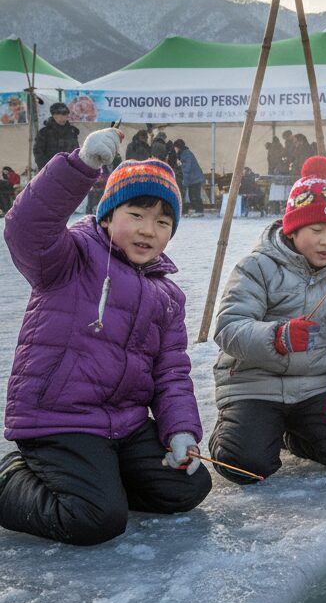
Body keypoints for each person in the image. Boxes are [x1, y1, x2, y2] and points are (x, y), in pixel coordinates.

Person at [0, 135, 211, 545]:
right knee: (96, 518)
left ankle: (100, 481)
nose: (148, 230)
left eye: (163, 222)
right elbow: (26, 228)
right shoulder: (70, 257)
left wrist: (179, 430)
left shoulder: (168, 296)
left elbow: (171, 372)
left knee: (188, 487)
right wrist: (78, 166)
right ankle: (9, 479)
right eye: (136, 214)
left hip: (125, 424)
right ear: (108, 216)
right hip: (60, 419)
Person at [208, 157, 326, 482]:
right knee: (244, 464)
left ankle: (293, 436)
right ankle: (242, 430)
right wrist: (277, 337)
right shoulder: (256, 268)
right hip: (253, 385)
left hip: (312, 388)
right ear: (293, 227)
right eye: (317, 230)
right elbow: (229, 328)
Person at [32, 102, 80, 171]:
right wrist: (45, 167)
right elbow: (38, 152)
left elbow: (76, 151)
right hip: (50, 169)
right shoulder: (44, 132)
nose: (63, 117)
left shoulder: (72, 131)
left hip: (69, 169)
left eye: (65, 115)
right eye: (60, 115)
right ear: (54, 115)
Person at [173, 139, 205, 217]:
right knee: (192, 195)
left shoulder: (186, 154)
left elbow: (186, 169)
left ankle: (199, 211)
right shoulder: (183, 154)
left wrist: (185, 183)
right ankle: (196, 211)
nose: (175, 150)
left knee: (194, 196)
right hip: (193, 179)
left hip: (195, 179)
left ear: (179, 147)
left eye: (175, 148)